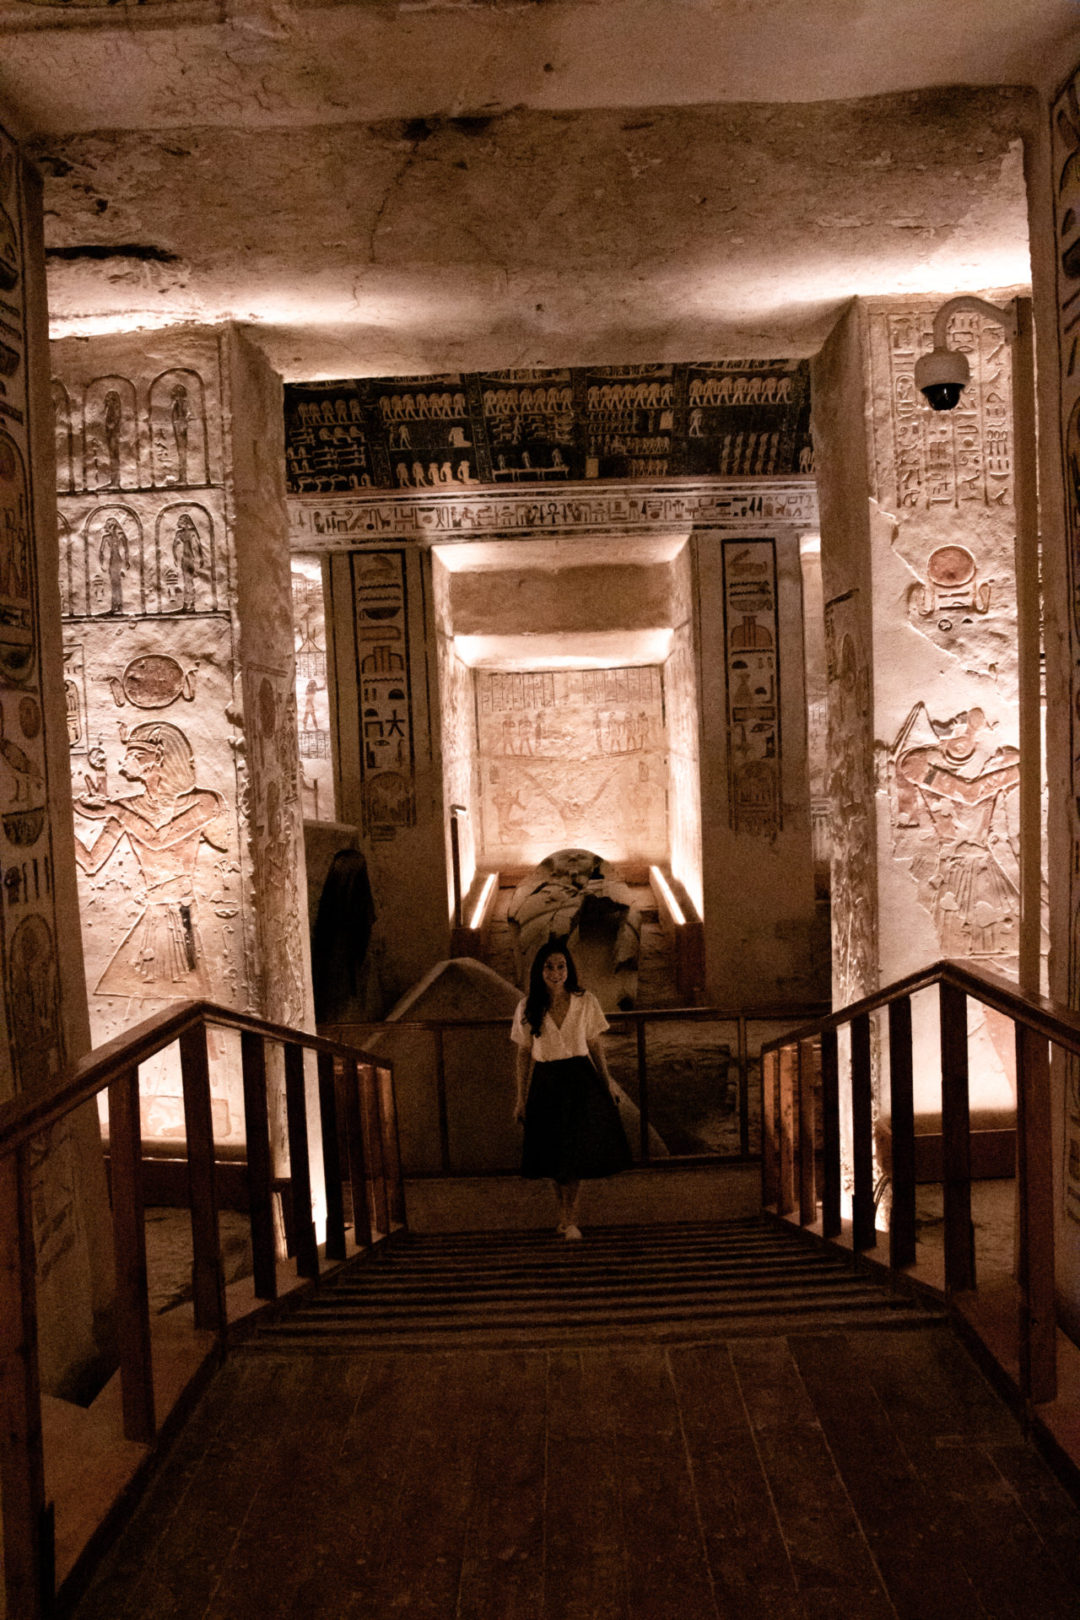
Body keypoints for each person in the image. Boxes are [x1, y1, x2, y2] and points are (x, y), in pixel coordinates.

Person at [511, 938, 632, 1239]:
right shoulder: (528, 1007)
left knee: (574, 1152)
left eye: (561, 966)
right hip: (546, 1081)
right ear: (540, 970)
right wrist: (520, 1098)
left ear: (569, 969)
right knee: (553, 1154)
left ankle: (571, 1218)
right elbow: (524, 1053)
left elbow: (595, 1046)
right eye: (549, 966)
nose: (556, 972)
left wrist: (608, 1085)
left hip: (579, 1079)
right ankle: (562, 1216)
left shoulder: (584, 1000)